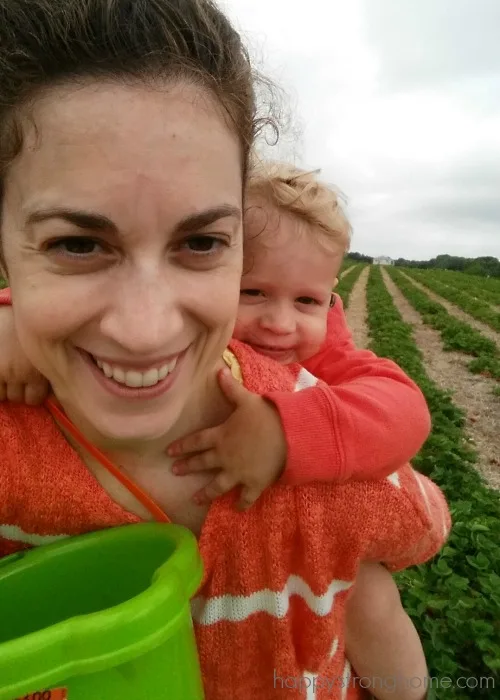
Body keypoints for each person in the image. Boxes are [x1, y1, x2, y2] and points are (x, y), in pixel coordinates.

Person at [0, 2, 449, 700]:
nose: (145, 329)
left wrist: (291, 438)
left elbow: (421, 513)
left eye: (200, 242)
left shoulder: (333, 446)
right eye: (78, 244)